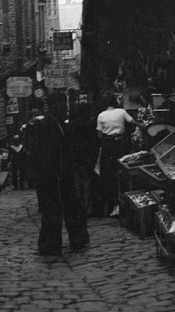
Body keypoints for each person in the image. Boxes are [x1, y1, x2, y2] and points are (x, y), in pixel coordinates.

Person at [30, 92, 89, 255]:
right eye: (63, 104)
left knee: (74, 207)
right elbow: (44, 152)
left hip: (65, 174)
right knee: (53, 210)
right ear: (55, 106)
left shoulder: (63, 124)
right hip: (52, 176)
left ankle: (78, 239)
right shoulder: (45, 125)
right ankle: (50, 244)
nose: (66, 108)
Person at [96, 90, 149, 217]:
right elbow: (133, 123)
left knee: (109, 174)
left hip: (108, 145)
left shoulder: (101, 115)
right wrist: (145, 127)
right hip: (120, 144)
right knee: (122, 171)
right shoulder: (121, 112)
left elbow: (99, 135)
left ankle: (114, 203)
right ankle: (124, 202)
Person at [64, 103, 100, 219]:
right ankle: (87, 208)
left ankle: (78, 209)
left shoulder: (72, 124)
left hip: (75, 157)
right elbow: (95, 141)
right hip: (87, 157)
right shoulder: (90, 124)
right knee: (87, 184)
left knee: (77, 184)